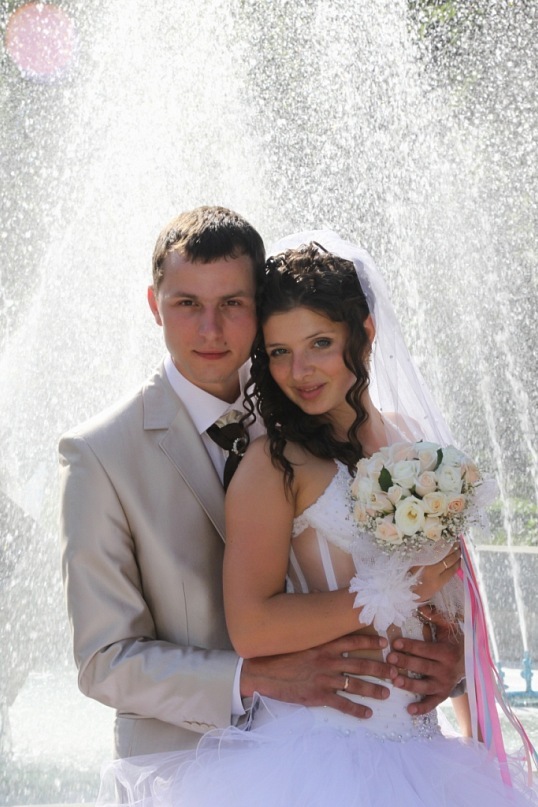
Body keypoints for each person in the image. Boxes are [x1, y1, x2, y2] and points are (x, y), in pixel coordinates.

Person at [98, 232, 537, 806]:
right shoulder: (274, 465)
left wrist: (455, 669)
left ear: (366, 334)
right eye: (279, 351)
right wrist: (394, 589)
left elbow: (455, 600)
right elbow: (252, 627)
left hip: (426, 755)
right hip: (319, 756)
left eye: (320, 343)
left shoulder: (418, 447)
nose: (299, 370)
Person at [60, 209, 463, 760]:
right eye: (187, 304)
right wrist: (251, 677)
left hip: (372, 741)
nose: (211, 329)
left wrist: (452, 664)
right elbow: (103, 660)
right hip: (192, 764)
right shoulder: (99, 455)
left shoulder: (307, 395)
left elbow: (435, 590)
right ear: (155, 305)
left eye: (232, 303)